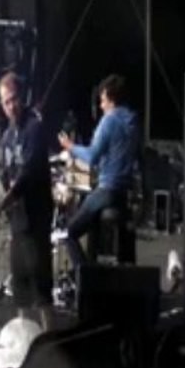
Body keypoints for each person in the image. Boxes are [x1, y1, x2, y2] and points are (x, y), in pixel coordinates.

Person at [57, 74, 139, 270]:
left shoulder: (109, 121)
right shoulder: (133, 122)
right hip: (125, 194)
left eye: (102, 100)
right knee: (92, 226)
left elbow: (92, 156)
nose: (101, 106)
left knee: (70, 233)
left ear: (111, 98)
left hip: (107, 190)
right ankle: (97, 272)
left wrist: (70, 146)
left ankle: (86, 277)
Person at [0, 73, 54, 329]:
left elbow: (28, 173)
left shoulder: (34, 129)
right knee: (20, 288)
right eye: (6, 102)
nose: (11, 106)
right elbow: (5, 174)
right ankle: (24, 338)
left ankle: (50, 340)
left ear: (22, 97)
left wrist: (2, 203)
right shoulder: (7, 136)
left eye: (14, 99)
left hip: (36, 219)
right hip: (17, 223)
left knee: (41, 287)